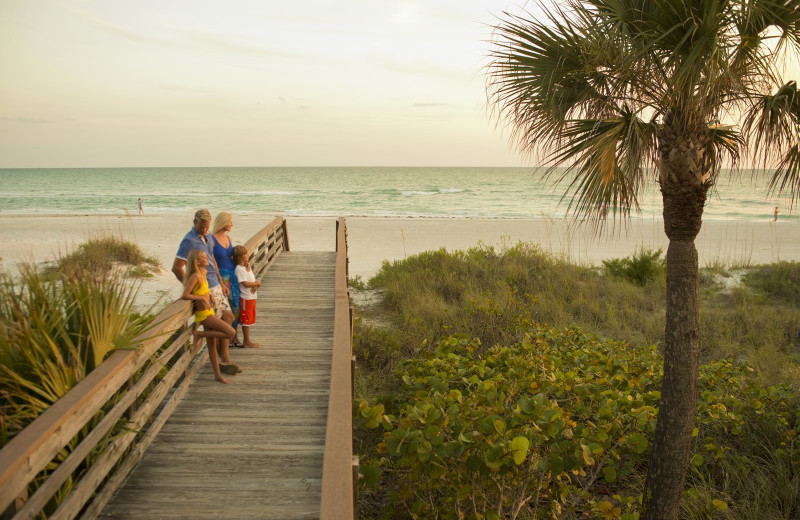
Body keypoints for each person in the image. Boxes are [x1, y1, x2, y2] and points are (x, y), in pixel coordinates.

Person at [172, 209, 239, 374]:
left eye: (206, 227)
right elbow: (176, 268)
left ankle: (224, 356)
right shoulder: (188, 240)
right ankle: (221, 362)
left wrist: (220, 282)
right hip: (204, 288)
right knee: (212, 330)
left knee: (229, 317)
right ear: (194, 222)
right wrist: (192, 287)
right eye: (201, 227)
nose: (204, 230)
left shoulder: (209, 236)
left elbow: (212, 258)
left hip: (216, 285)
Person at [182, 250, 236, 384]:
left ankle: (217, 375)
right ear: (197, 261)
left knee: (211, 345)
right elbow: (185, 295)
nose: (208, 259)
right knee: (231, 332)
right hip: (204, 315)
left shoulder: (203, 273)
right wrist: (200, 298)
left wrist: (209, 296)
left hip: (210, 311)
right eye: (204, 258)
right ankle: (199, 334)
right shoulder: (195, 276)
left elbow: (204, 290)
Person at [211, 211, 243, 347]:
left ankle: (234, 337)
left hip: (232, 274)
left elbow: (233, 257)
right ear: (223, 222)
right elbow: (211, 262)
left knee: (236, 306)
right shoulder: (211, 239)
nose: (232, 224)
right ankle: (226, 338)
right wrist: (218, 280)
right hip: (222, 277)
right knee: (226, 308)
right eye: (230, 222)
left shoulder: (228, 238)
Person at [233, 245, 261, 348]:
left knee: (250, 318)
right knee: (246, 319)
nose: (248, 255)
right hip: (245, 297)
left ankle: (247, 340)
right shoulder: (239, 269)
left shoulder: (245, 267)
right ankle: (246, 341)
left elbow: (251, 279)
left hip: (251, 296)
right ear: (240, 257)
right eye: (246, 254)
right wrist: (256, 284)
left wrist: (255, 285)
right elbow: (244, 283)